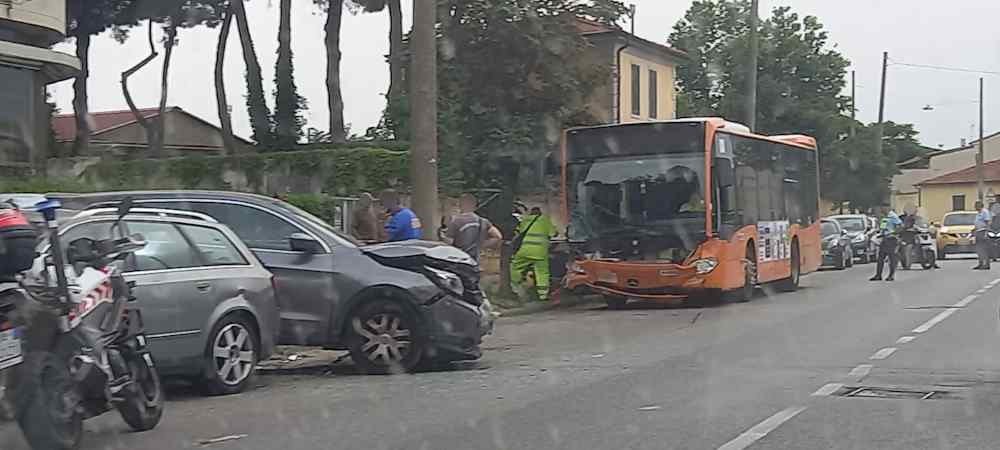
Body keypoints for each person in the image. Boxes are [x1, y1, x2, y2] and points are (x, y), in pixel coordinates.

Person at [510, 206, 558, 301]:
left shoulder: (526, 220)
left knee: (515, 267)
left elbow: (519, 232)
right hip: (539, 252)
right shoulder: (545, 220)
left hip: (524, 251)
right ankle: (543, 295)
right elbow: (554, 234)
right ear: (540, 213)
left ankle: (515, 287)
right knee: (542, 272)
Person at [446, 193, 503, 263]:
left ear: (461, 205)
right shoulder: (483, 221)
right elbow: (498, 237)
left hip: (459, 262)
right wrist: (480, 245)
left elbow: (449, 242)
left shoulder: (455, 221)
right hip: (475, 261)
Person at [870, 210, 902, 281]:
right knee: (880, 258)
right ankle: (878, 275)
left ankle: (891, 275)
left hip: (891, 239)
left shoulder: (893, 216)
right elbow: (883, 229)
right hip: (884, 239)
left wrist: (893, 233)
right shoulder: (885, 218)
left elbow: (900, 227)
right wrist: (880, 234)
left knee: (891, 258)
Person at [973, 200, 992, 270]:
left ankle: (986, 264)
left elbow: (987, 223)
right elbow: (977, 222)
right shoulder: (978, 213)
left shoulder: (985, 212)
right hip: (978, 232)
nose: (975, 207)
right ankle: (980, 264)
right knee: (979, 249)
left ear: (980, 206)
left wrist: (986, 233)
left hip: (983, 231)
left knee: (984, 249)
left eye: (976, 205)